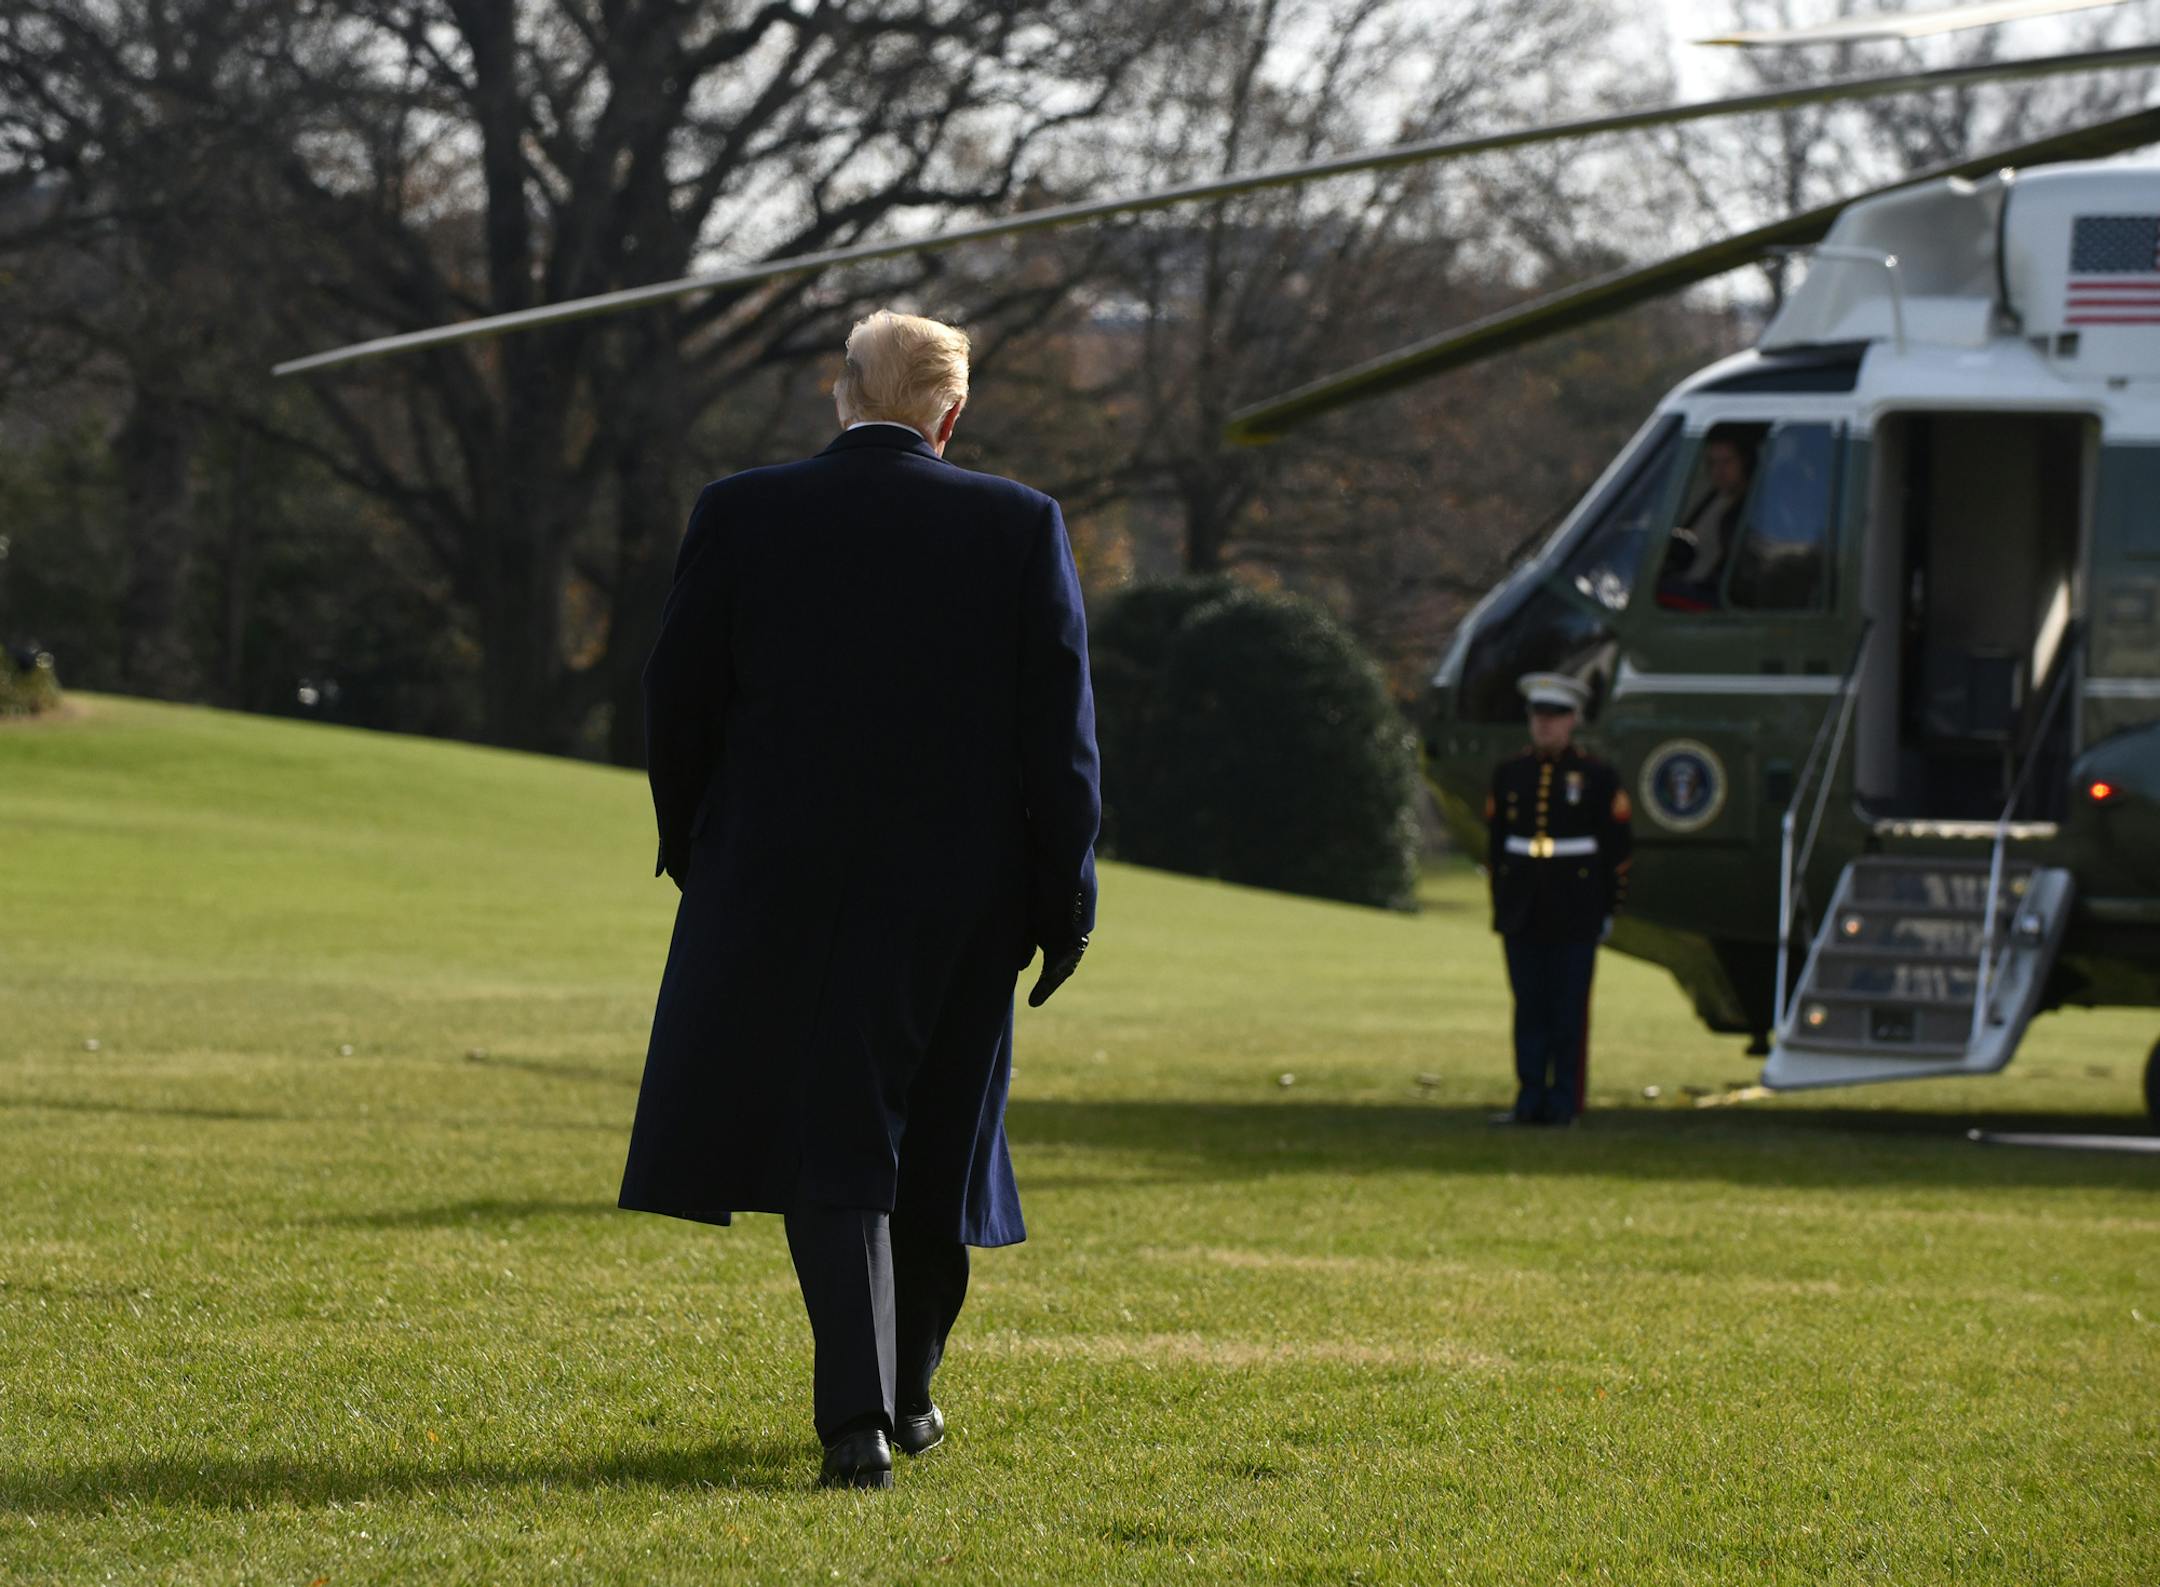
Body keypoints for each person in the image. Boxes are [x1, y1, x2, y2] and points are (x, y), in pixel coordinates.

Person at [618, 310, 1101, 1490]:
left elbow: (678, 702)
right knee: (939, 1140)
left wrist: (697, 847)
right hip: (965, 894)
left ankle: (859, 1420)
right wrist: (1065, 893)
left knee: (830, 1143)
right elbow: (1062, 737)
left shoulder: (740, 513)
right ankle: (910, 1389)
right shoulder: (1018, 524)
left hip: (783, 883)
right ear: (951, 412)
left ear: (841, 395)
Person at [1485, 672, 1631, 1126]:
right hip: (1524, 906)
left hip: (1575, 907)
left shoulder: (1597, 776)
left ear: (1574, 721)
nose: (1545, 725)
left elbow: (1617, 849)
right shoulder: (1510, 774)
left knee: (1568, 1010)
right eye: (1538, 716)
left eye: (1556, 716)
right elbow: (1496, 845)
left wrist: (1607, 906)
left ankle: (1564, 1101)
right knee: (1529, 1006)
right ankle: (1529, 1097)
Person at [1656, 430, 1755, 611]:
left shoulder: (1749, 510)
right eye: (1713, 463)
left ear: (1744, 462)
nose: (1719, 471)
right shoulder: (1717, 499)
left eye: (1727, 462)